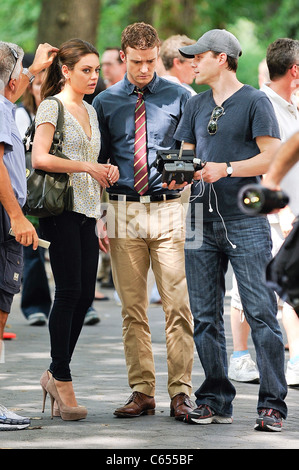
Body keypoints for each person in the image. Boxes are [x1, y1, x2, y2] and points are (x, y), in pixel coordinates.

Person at [171, 29, 288, 432]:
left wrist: (228, 168)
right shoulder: (196, 103)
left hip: (245, 220)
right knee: (204, 316)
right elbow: (185, 155)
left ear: (221, 58)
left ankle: (272, 404)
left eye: (198, 57)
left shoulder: (255, 100)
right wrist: (176, 175)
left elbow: (271, 155)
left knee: (261, 313)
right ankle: (215, 399)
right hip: (198, 220)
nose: (192, 63)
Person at [93, 22, 194, 421]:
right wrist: (102, 213)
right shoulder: (105, 102)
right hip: (122, 209)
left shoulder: (181, 96)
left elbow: (192, 148)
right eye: (136, 62)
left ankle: (181, 391)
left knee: (177, 307)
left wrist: (182, 173)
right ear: (123, 58)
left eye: (151, 61)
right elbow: (101, 163)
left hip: (171, 208)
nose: (144, 69)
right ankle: (142, 390)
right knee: (132, 308)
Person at [32, 38, 119, 421]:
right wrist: (88, 167)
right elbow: (40, 156)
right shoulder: (53, 106)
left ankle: (54, 373)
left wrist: (105, 175)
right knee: (68, 293)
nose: (94, 76)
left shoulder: (90, 110)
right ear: (65, 71)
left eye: (97, 69)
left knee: (85, 296)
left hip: (87, 209)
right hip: (60, 210)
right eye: (86, 70)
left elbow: (94, 162)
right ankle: (62, 378)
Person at [228, 39, 299, 386]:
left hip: (293, 214)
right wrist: (275, 211)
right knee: (248, 290)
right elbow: (267, 163)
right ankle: (240, 357)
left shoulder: (293, 106)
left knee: (288, 291)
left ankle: (296, 359)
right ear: (295, 70)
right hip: (266, 215)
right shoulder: (261, 104)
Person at [0, 40, 57, 430]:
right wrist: (18, 217)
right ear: (11, 81)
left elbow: (12, 83)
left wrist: (33, 67)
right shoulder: (3, 109)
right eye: (22, 73)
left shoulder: (5, 99)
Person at [15, 65, 52, 326]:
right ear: (31, 87)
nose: (42, 90)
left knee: (64, 250)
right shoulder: (21, 116)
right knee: (33, 249)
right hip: (31, 192)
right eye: (38, 84)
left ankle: (78, 306)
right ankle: (35, 304)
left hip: (57, 193)